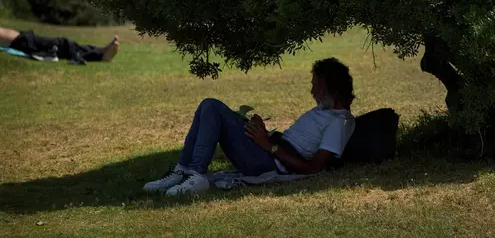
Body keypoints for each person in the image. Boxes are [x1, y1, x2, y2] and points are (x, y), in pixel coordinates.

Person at [143, 57, 356, 196]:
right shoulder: (323, 111)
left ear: (331, 89)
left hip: (269, 162)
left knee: (212, 106)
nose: (311, 91)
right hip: (269, 150)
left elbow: (314, 167)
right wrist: (264, 134)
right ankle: (182, 171)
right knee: (207, 108)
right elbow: (294, 142)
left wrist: (268, 146)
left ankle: (196, 175)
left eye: (315, 86)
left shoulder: (340, 122)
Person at [0, 27, 119, 63]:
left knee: (62, 44)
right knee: (60, 45)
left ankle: (100, 52)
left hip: (18, 39)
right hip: (20, 41)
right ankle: (99, 54)